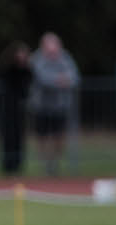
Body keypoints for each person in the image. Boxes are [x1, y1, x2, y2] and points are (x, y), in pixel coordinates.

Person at [26, 32, 79, 176]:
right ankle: (44, 163)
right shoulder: (37, 59)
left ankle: (54, 163)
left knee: (59, 134)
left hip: (60, 105)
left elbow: (74, 77)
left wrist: (61, 80)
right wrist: (60, 80)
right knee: (41, 135)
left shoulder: (65, 58)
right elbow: (41, 78)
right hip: (41, 105)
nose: (52, 52)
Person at [0, 41, 30, 176]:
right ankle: (7, 164)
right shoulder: (7, 68)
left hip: (19, 109)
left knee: (19, 136)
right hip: (7, 107)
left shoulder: (27, 70)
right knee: (7, 136)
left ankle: (17, 164)